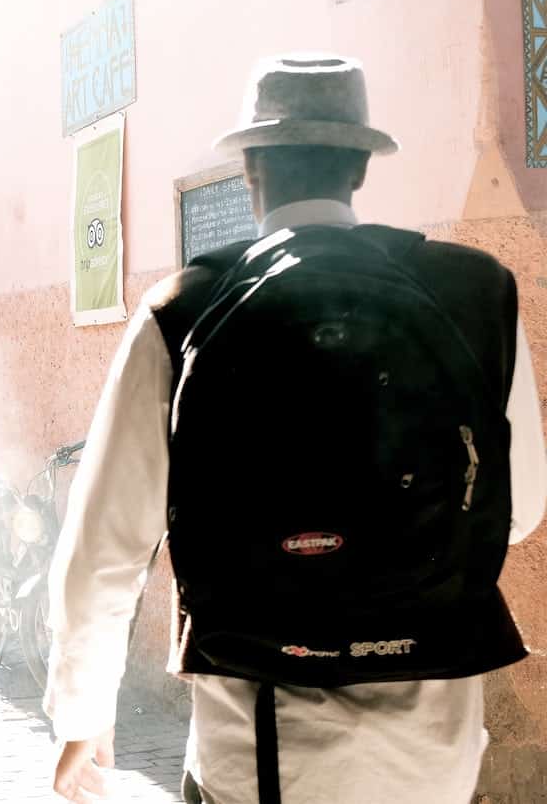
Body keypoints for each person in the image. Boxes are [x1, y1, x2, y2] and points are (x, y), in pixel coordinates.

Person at [44, 54, 547, 804]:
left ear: (251, 169)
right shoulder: (474, 295)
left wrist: (82, 712)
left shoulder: (183, 310)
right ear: (359, 169)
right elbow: (521, 509)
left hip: (261, 745)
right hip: (431, 746)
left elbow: (106, 548)